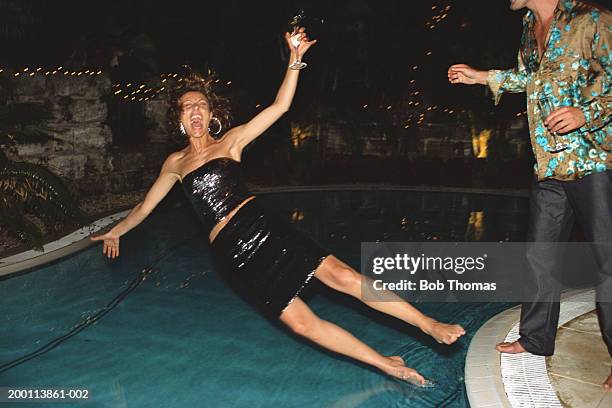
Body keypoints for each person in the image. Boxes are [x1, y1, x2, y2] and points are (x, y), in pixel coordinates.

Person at [92, 28, 465, 385]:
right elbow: (146, 205)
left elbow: (281, 105)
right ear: (180, 119)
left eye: (201, 105)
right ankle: (386, 364)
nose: (195, 111)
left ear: (210, 115)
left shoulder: (232, 142)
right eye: (188, 107)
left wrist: (295, 60)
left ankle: (426, 323)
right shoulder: (175, 164)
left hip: (261, 227)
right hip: (231, 253)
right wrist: (117, 230)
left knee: (342, 276)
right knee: (302, 324)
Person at [448, 0, 611, 390]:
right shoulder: (528, 26)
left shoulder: (593, 20)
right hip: (548, 163)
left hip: (595, 161)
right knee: (540, 254)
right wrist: (482, 76)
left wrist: (585, 114)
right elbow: (533, 79)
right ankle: (536, 338)